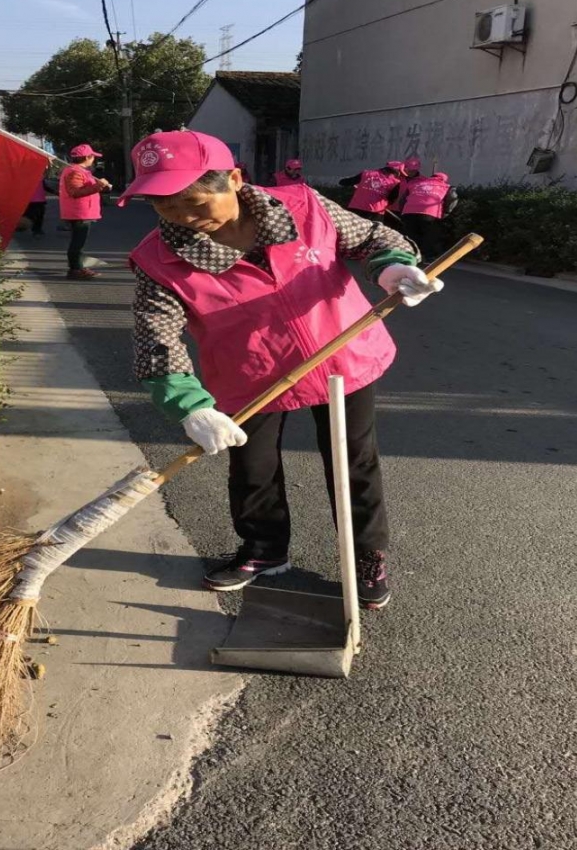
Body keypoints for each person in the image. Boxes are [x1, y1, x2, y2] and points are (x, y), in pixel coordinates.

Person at [120, 131, 444, 608]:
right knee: (253, 465)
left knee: (353, 461)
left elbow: (373, 237)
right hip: (249, 372)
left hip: (341, 354)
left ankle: (365, 555)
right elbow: (157, 336)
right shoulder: (158, 259)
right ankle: (264, 549)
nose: (183, 218)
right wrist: (188, 404)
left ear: (233, 178)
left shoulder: (302, 206)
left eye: (193, 202)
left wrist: (394, 269)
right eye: (164, 207)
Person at [60, 143, 112, 280]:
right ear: (87, 157)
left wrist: (100, 186)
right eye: (92, 156)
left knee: (79, 242)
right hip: (79, 213)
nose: (93, 159)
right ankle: (75, 269)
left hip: (81, 211)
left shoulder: (78, 171)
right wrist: (99, 185)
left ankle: (79, 267)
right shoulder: (75, 172)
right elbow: (75, 192)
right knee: (78, 243)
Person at [397, 170, 458, 261]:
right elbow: (452, 200)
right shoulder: (446, 186)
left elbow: (402, 200)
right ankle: (428, 257)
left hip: (409, 211)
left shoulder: (416, 184)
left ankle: (407, 255)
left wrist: (403, 212)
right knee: (429, 236)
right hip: (430, 213)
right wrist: (446, 213)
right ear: (444, 180)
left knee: (410, 235)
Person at [339, 161, 405, 223]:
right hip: (375, 211)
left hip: (356, 208)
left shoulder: (366, 173)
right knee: (372, 233)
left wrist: (342, 181)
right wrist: (386, 204)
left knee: (352, 230)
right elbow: (392, 198)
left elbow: (346, 182)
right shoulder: (395, 182)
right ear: (398, 171)